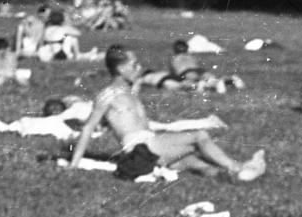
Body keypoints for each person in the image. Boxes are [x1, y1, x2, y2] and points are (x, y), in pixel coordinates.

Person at [68, 46, 265, 183]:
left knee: (194, 162)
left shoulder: (130, 91)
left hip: (152, 145)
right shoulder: (107, 95)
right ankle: (236, 167)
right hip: (140, 149)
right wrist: (74, 164)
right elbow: (88, 128)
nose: (138, 67)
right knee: (199, 136)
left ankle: (233, 178)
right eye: (134, 64)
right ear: (120, 69)